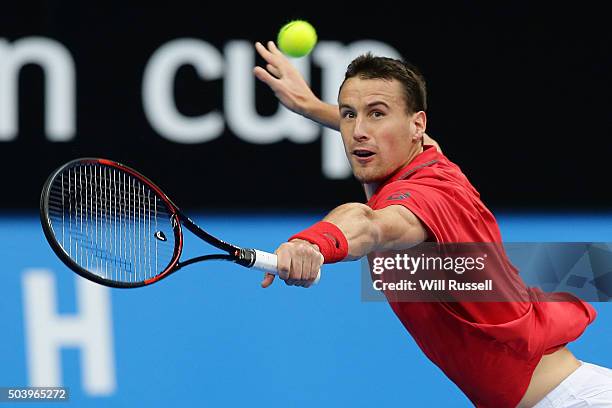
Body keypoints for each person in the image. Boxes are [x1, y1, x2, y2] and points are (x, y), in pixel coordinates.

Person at [252, 41, 612, 407]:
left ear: (417, 125)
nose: (358, 131)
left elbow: (369, 224)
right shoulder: (424, 152)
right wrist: (310, 107)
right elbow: (377, 130)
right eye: (348, 114)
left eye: (376, 113)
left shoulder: (430, 198)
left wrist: (313, 244)